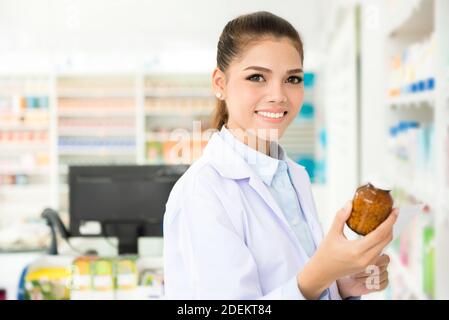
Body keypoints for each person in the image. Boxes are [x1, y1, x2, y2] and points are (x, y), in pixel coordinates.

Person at [163, 11, 398, 300]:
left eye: (293, 79)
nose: (279, 95)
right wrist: (321, 274)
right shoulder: (201, 192)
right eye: (257, 77)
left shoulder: (292, 175)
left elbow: (293, 280)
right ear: (220, 84)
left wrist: (341, 285)